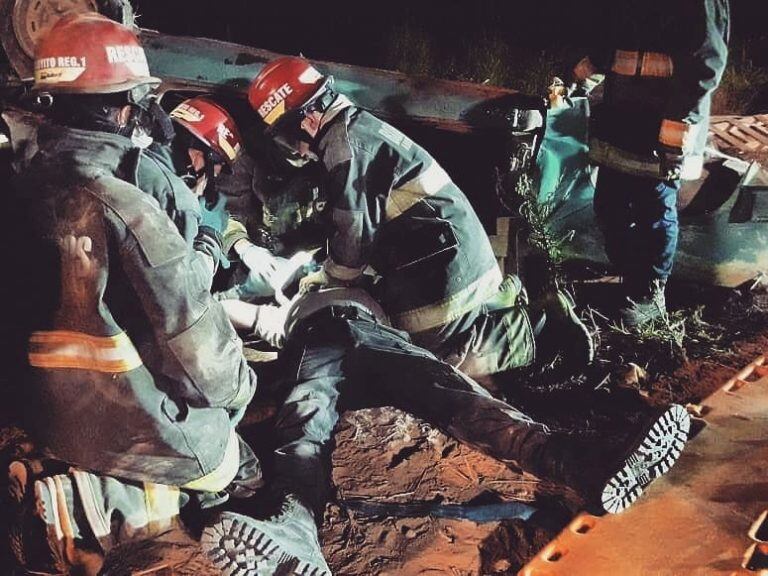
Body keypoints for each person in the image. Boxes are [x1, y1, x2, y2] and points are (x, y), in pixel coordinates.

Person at [1, 13, 258, 574]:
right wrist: (243, 390)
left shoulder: (19, 181)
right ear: (124, 106)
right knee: (225, 458)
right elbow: (205, 366)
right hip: (106, 423)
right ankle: (115, 504)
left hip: (31, 404)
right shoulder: (124, 203)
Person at [204, 288, 692, 575]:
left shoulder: (330, 282)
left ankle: (585, 465)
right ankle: (294, 529)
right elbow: (237, 309)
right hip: (323, 335)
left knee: (445, 397)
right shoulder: (288, 305)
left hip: (362, 330)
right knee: (441, 399)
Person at [246, 56, 594, 388]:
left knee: (431, 361)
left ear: (305, 120)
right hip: (449, 256)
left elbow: (353, 244)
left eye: (286, 135)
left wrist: (322, 281)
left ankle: (542, 328)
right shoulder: (357, 130)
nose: (294, 148)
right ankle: (506, 300)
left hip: (448, 268)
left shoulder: (346, 148)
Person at [572, 0, 730, 326]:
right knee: (610, 207)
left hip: (666, 124)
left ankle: (649, 295)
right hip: (623, 118)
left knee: (654, 213)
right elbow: (616, 38)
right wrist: (581, 72)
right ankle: (632, 279)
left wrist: (679, 123)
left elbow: (708, 62)